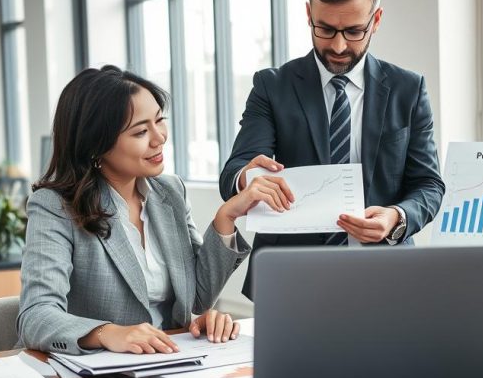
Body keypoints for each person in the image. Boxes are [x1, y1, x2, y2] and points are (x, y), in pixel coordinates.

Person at [18, 65, 287, 354]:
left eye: (160, 121)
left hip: (165, 366)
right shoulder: (54, 207)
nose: (159, 138)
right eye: (141, 131)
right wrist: (108, 333)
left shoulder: (169, 192)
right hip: (92, 376)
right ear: (96, 144)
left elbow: (197, 298)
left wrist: (226, 217)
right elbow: (36, 316)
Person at [219, 0, 445, 298]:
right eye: (324, 29)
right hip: (290, 277)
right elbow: (234, 172)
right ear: (308, 15)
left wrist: (396, 218)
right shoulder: (273, 86)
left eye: (354, 31)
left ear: (376, 19)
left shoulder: (407, 90)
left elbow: (428, 184)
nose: (338, 47)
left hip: (387, 276)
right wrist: (247, 178)